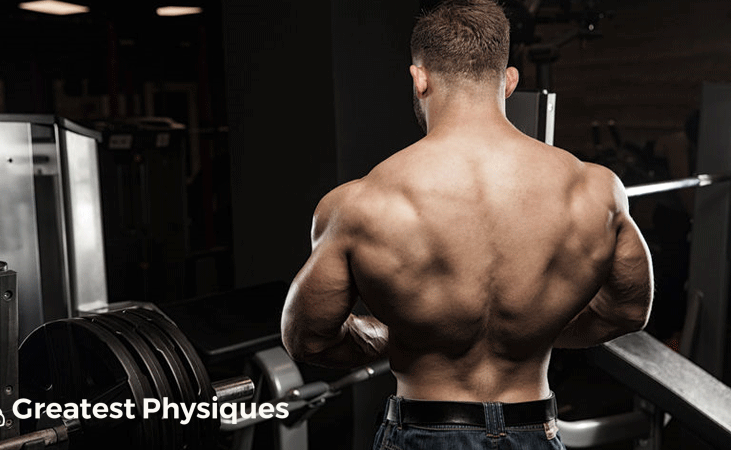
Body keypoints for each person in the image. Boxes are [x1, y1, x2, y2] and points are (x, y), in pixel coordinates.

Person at [280, 1, 654, 448]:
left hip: (423, 431)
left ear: (419, 79)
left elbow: (307, 338)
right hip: (534, 430)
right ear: (510, 80)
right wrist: (533, 332)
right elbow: (629, 310)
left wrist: (402, 338)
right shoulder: (595, 190)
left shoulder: (360, 204)